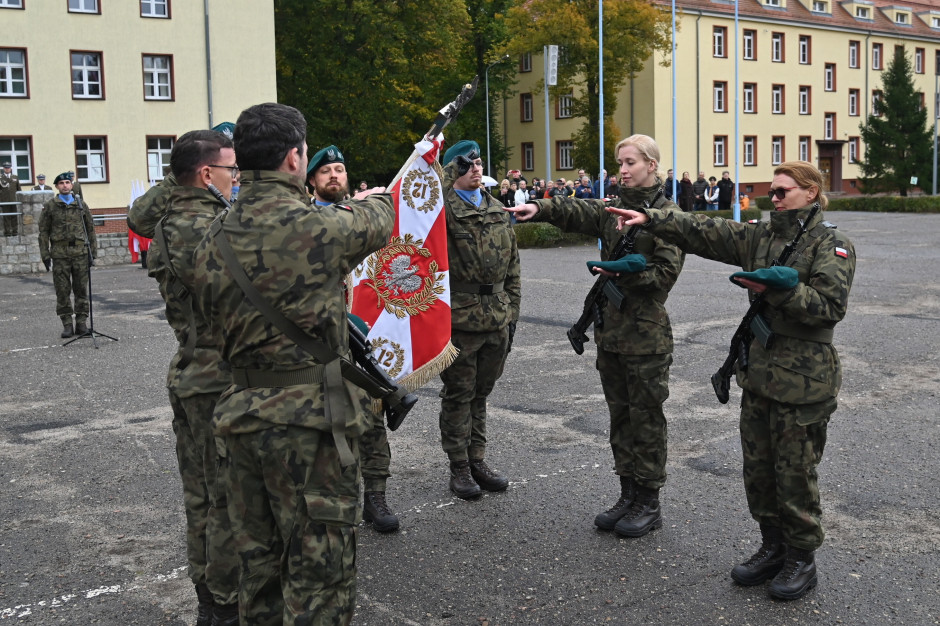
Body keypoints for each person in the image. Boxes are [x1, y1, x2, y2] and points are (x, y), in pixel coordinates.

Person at [607, 160, 855, 601]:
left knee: (795, 472)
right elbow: (704, 231)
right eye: (772, 192)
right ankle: (772, 546)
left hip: (804, 379)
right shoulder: (761, 237)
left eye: (782, 192)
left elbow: (829, 307)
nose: (773, 198)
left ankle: (801, 558)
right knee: (758, 470)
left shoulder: (831, 244)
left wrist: (778, 289)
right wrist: (654, 216)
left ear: (811, 192)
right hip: (760, 373)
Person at [192, 102, 395, 624]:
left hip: (239, 422)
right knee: (319, 579)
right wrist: (376, 195)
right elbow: (382, 217)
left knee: (258, 570)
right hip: (309, 427)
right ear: (293, 159)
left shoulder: (210, 238)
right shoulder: (321, 228)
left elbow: (208, 329)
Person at [508, 134, 684, 538]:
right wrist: (539, 207)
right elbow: (577, 210)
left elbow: (665, 276)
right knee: (619, 416)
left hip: (645, 336)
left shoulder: (667, 216)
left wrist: (625, 271)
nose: (621, 170)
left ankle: (648, 500)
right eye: (619, 163)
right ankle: (627, 493)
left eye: (630, 163)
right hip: (611, 333)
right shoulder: (614, 209)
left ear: (651, 165)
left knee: (646, 419)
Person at [146, 129, 240, 625]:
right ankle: (225, 602)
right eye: (231, 169)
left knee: (200, 493)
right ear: (207, 175)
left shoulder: (168, 222)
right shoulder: (213, 228)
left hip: (190, 368)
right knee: (225, 494)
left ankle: (209, 593)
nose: (236, 178)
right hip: (217, 375)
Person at [306, 143, 401, 533]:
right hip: (319, 341)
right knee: (326, 424)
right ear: (310, 180)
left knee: (373, 418)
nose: (333, 175)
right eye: (325, 170)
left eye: (340, 169)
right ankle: (333, 501)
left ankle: (376, 496)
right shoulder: (303, 221)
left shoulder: (362, 220)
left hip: (363, 334)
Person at [438, 139, 520, 500]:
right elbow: (419, 208)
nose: (475, 167)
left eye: (478, 161)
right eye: (466, 163)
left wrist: (512, 313)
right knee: (459, 393)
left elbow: (514, 268)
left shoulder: (498, 209)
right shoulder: (442, 210)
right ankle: (458, 465)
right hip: (460, 317)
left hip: (497, 316)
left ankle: (477, 459)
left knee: (482, 393)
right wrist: (446, 171)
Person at [38, 173, 97, 338]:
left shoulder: (80, 204)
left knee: (81, 290)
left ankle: (81, 323)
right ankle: (67, 324)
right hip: (60, 254)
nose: (65, 185)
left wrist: (93, 252)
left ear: (72, 185)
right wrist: (45, 254)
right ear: (56, 186)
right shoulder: (50, 206)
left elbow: (90, 229)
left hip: (80, 253)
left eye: (67, 182)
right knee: (62, 291)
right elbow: (43, 232)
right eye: (61, 183)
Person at [1, 161, 23, 236]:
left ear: (10, 168)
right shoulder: (1, 178)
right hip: (4, 200)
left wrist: (20, 200)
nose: (7, 169)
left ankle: (15, 231)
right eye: (6, 168)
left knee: (14, 216)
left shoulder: (15, 177)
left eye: (8, 168)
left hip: (14, 200)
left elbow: (19, 189)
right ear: (3, 168)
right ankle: (7, 232)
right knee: (6, 217)